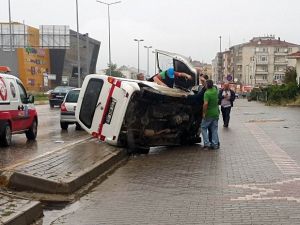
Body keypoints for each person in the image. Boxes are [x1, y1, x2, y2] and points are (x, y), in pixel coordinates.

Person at [201, 79, 220, 150]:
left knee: (203, 128)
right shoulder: (215, 90)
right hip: (216, 113)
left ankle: (207, 144)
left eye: (205, 84)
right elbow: (212, 85)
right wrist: (204, 81)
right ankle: (215, 144)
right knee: (214, 129)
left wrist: (204, 113)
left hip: (209, 114)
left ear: (207, 85)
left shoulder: (207, 93)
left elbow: (205, 104)